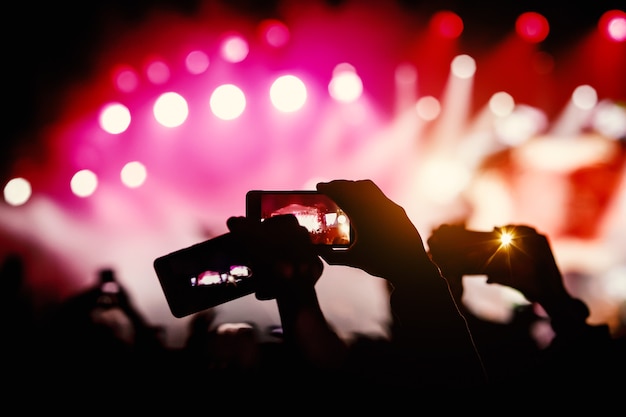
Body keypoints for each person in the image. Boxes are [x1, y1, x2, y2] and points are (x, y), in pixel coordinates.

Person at [225, 179, 488, 395]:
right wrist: (413, 270)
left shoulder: (384, 362)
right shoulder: (385, 359)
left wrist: (293, 280)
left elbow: (333, 369)